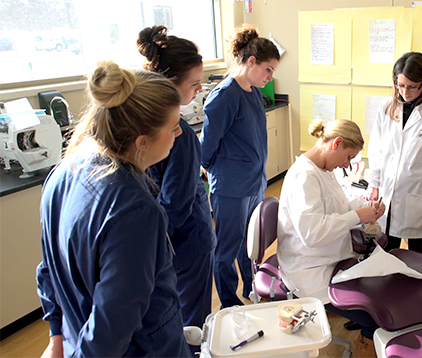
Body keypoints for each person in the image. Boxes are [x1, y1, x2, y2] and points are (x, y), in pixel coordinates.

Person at [37, 60, 191, 357]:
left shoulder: (62, 173)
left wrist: (56, 335)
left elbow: (48, 268)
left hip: (74, 339)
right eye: (173, 129)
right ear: (142, 141)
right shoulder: (135, 211)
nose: (180, 135)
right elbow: (110, 327)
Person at [277, 119, 385, 358]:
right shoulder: (304, 177)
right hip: (309, 270)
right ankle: (365, 347)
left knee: (382, 299)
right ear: (336, 143)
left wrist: (367, 207)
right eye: (348, 158)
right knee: (378, 319)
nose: (346, 165)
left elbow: (338, 206)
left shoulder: (323, 170)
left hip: (330, 260)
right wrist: (358, 215)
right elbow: (312, 234)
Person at [136, 26, 216, 338]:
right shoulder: (178, 134)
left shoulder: (147, 127)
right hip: (186, 243)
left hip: (168, 245)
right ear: (170, 85)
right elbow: (174, 204)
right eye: (194, 84)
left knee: (171, 319)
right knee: (192, 323)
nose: (199, 90)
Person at [200, 23, 280, 308]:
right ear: (251, 62)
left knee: (252, 242)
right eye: (268, 69)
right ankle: (228, 302)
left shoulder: (254, 92)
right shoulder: (224, 96)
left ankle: (252, 286)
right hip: (231, 186)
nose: (270, 76)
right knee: (227, 248)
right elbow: (206, 147)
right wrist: (210, 169)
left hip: (254, 181)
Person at [365, 52, 422, 256]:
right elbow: (377, 149)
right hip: (387, 197)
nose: (405, 92)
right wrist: (374, 183)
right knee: (384, 253)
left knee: (420, 257)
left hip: (420, 200)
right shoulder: (387, 107)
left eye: (412, 86)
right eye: (400, 85)